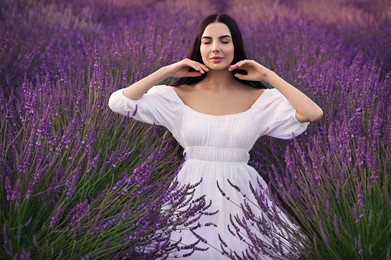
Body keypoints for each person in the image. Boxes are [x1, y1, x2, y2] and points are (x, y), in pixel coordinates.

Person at [109, 13, 323, 259]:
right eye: (207, 41)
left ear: (235, 46)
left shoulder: (260, 99)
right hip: (190, 193)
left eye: (224, 40)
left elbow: (312, 112)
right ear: (198, 47)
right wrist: (167, 70)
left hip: (242, 195)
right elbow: (119, 102)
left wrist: (267, 75)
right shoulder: (176, 96)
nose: (215, 48)